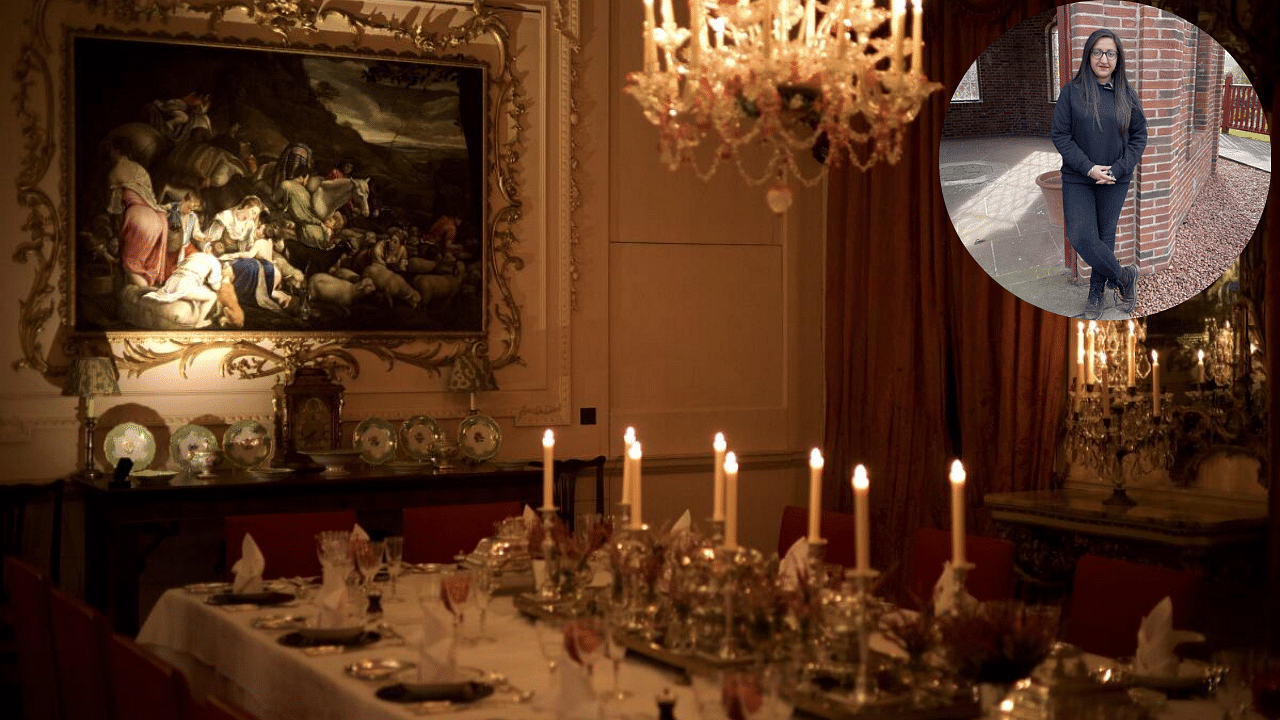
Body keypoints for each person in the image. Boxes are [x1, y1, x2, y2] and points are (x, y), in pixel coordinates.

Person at [1051, 28, 1147, 320]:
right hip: (1079, 176)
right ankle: (1124, 278)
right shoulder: (1072, 91)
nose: (1104, 58)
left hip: (1115, 179)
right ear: (1088, 55)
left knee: (1105, 237)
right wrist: (1090, 169)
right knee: (1081, 236)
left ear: (1118, 59)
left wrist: (1116, 170)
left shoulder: (1127, 96)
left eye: (1111, 53)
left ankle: (1097, 292)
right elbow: (1061, 135)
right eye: (1097, 51)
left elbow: (1139, 138)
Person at [106, 137, 172, 287]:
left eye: (111, 151)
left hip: (138, 216)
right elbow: (151, 197)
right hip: (157, 219)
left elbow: (115, 208)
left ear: (116, 151)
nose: (110, 154)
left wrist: (116, 232)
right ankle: (143, 295)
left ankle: (146, 297)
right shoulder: (140, 170)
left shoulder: (115, 172)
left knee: (130, 265)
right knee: (143, 266)